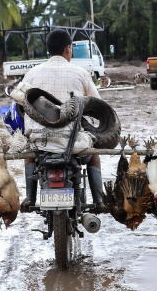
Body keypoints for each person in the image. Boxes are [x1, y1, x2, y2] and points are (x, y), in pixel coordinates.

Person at [20, 29, 107, 213]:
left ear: (48, 49)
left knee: (28, 154)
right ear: (68, 48)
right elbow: (98, 105)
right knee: (94, 155)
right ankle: (99, 201)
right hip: (73, 143)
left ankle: (29, 197)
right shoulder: (81, 73)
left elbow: (23, 105)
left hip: (40, 143)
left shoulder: (32, 74)